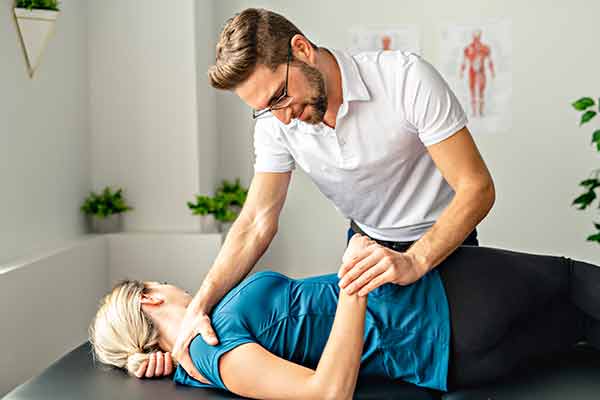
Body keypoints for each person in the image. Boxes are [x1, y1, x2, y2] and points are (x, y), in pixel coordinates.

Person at [138, 7, 496, 378]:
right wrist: (200, 304)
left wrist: (415, 261)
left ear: (302, 49)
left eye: (280, 96)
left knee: (463, 369)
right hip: (366, 252)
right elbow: (258, 221)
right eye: (264, 110)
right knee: (383, 378)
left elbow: (476, 188)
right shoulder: (275, 123)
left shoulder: (405, 78)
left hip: (443, 246)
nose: (283, 117)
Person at [89, 234, 600, 398]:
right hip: (440, 302)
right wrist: (353, 278)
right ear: (148, 300)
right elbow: (326, 394)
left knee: (583, 328)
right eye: (156, 284)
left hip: (449, 360)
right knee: (577, 281)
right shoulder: (209, 351)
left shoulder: (193, 364)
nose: (167, 284)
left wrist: (154, 362)